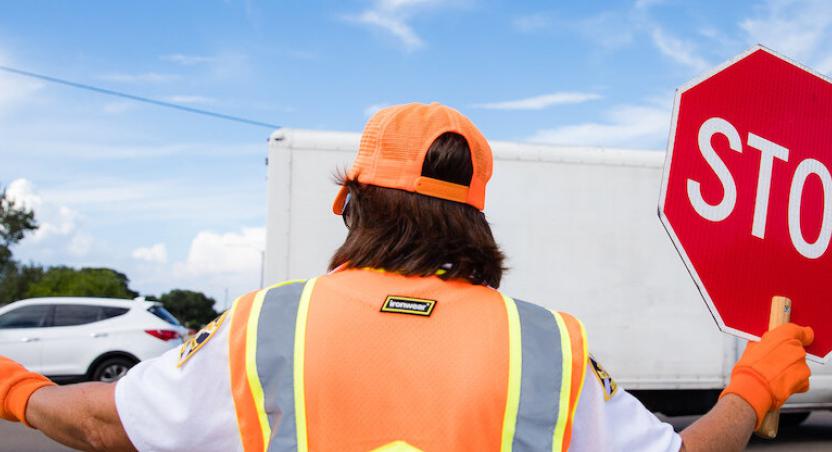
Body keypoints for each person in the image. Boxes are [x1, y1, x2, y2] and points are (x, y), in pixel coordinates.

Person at [0, 102, 814, 451]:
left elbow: (107, 425)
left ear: (354, 202)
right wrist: (753, 387)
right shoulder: (545, 345)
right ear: (474, 217)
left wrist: (16, 389)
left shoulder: (266, 325)